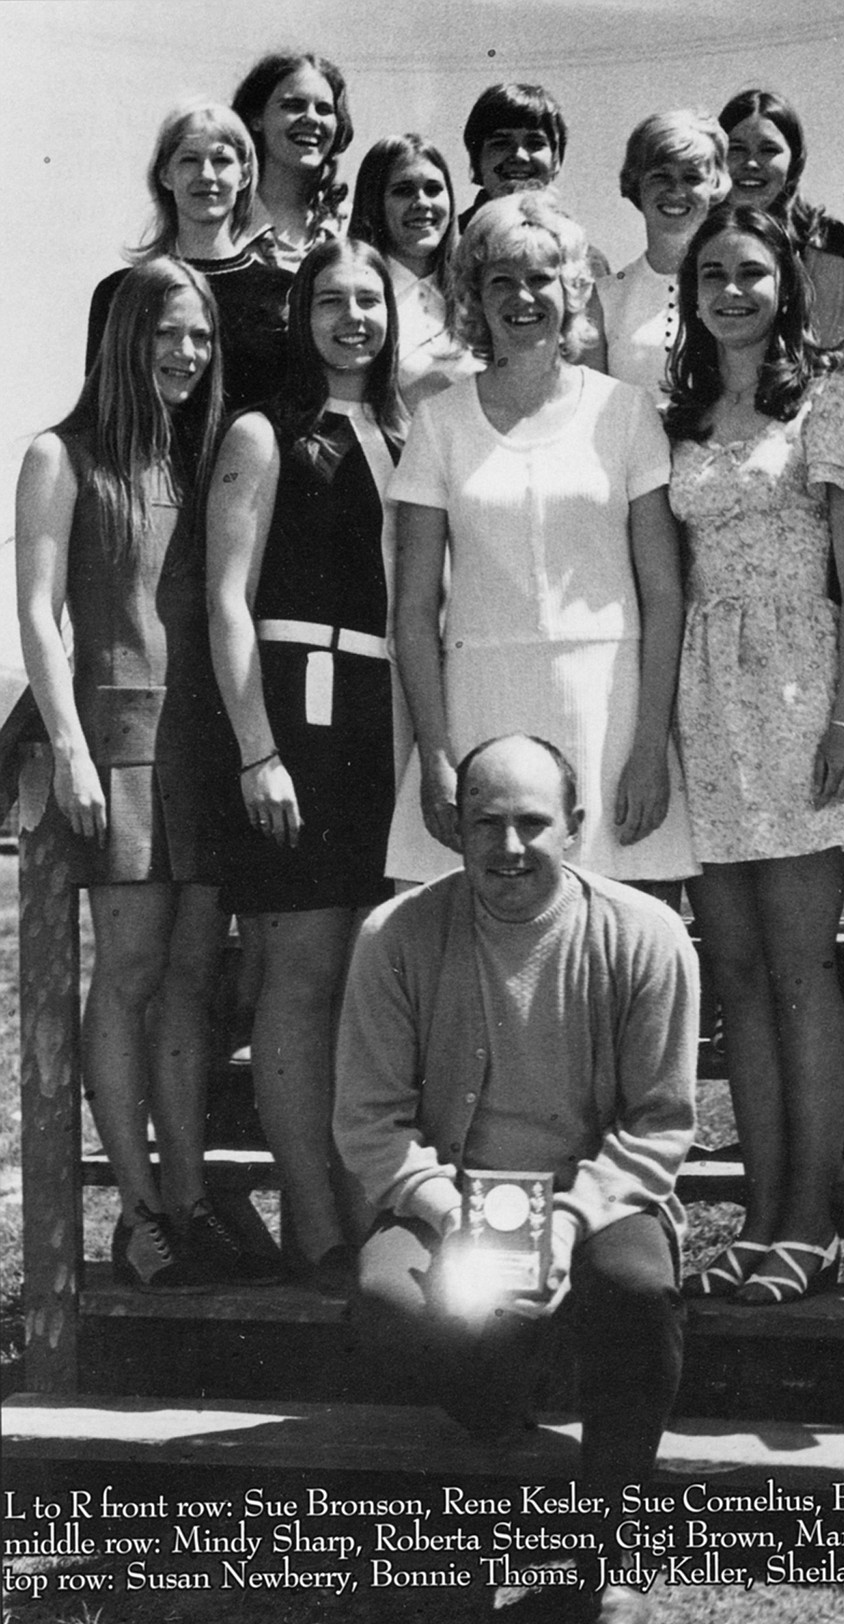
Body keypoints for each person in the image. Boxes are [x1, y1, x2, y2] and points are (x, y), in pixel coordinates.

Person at [334, 733, 700, 1624]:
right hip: (452, 1196)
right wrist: (450, 1213)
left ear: (575, 829)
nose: (509, 847)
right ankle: (498, 1424)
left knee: (638, 1288)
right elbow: (369, 1120)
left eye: (533, 823)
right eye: (485, 823)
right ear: (454, 829)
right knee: (388, 1297)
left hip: (594, 1196)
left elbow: (660, 1122)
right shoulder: (398, 935)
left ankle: (608, 1545)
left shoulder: (646, 936)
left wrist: (569, 1220)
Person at [664, 202, 844, 1305]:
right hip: (705, 699)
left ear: (788, 286)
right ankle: (760, 1216)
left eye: (752, 271)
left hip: (804, 687)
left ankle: (809, 1221)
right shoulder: (679, 412)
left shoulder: (832, 403)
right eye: (712, 272)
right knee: (743, 973)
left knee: (803, 967)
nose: (731, 289)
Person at [18, 259, 275, 1291]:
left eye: (202, 338)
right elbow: (38, 612)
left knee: (187, 986)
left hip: (205, 748)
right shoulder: (62, 454)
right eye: (167, 334)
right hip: (118, 740)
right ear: (124, 338)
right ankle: (136, 1212)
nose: (185, 354)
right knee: (125, 980)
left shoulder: (211, 455)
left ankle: (188, 1194)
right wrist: (71, 744)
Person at [386, 189, 697, 890]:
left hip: (607, 709)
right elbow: (411, 611)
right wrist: (436, 756)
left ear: (574, 289)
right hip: (477, 702)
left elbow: (664, 594)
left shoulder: (627, 413)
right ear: (474, 296)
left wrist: (651, 745)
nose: (522, 298)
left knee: (615, 929)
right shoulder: (438, 422)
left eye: (540, 279)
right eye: (501, 281)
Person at [206, 239, 405, 1292]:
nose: (353, 318)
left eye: (369, 299)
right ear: (300, 314)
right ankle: (312, 1217)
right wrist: (258, 749)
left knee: (367, 981)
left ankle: (369, 1199)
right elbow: (225, 597)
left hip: (384, 721)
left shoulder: (407, 428)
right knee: (299, 976)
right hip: (295, 718)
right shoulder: (264, 430)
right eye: (331, 300)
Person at [86, 102, 293, 417]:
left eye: (221, 160)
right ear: (165, 174)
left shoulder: (285, 293)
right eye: (189, 160)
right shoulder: (120, 292)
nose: (206, 175)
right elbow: (97, 416)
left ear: (245, 174)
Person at [591, 109, 730, 405]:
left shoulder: (734, 290)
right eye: (660, 176)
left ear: (715, 187)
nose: (676, 190)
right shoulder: (603, 298)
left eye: (692, 177)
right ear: (636, 184)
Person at [719, 88, 844, 362]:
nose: (751, 163)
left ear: (794, 161)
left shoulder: (825, 254)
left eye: (768, 150)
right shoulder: (697, 246)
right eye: (736, 149)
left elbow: (836, 370)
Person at [348, 132, 478, 412]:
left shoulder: (479, 292)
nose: (422, 202)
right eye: (403, 190)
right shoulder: (353, 299)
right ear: (374, 203)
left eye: (433, 189)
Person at [457, 81, 609, 275]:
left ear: (556, 160)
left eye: (535, 143)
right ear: (476, 158)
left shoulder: (584, 260)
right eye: (501, 143)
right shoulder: (445, 248)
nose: (520, 156)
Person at [231, 51, 353, 270]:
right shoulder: (223, 224)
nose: (312, 118)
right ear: (256, 117)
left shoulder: (350, 226)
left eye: (324, 109)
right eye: (293, 105)